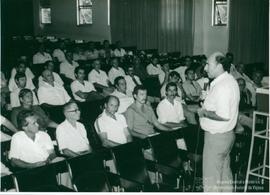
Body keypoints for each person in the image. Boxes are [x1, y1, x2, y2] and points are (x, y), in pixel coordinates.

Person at [197, 52, 240, 192]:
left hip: (216, 138)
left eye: (208, 64)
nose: (205, 68)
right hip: (226, 136)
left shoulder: (222, 86)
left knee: (211, 180)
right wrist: (207, 100)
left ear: (219, 66)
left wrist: (204, 112)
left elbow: (223, 115)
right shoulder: (229, 81)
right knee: (224, 176)